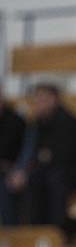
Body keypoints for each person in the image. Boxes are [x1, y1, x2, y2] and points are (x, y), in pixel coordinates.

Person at [6, 83, 76, 227]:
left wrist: (38, 164)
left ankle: (58, 228)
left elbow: (63, 158)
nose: (38, 104)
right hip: (59, 171)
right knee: (32, 179)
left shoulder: (67, 124)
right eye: (36, 100)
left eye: (42, 99)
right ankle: (34, 229)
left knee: (54, 179)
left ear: (54, 99)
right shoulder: (39, 124)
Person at [0, 87, 26, 225]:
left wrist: (19, 170)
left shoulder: (16, 121)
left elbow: (25, 152)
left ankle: (11, 234)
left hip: (11, 171)